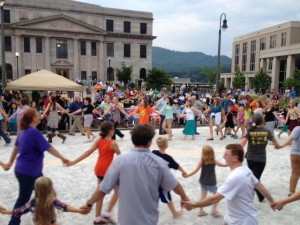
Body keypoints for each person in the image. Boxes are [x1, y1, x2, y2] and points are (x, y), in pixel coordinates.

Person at [80, 124, 189, 225]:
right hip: (149, 220)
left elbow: (102, 189)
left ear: (133, 140)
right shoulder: (159, 163)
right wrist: (184, 197)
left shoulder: (120, 161)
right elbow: (175, 185)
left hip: (126, 220)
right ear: (150, 142)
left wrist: (89, 204)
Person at [2, 109, 69, 225]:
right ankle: (13, 222)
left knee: (46, 194)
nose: (39, 115)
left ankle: (47, 218)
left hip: (30, 171)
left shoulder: (23, 132)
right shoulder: (34, 132)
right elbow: (50, 148)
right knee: (24, 199)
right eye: (37, 115)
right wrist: (63, 158)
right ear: (33, 118)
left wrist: (10, 162)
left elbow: (15, 148)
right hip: (28, 172)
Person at [183, 144, 275, 225]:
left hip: (243, 221)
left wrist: (193, 204)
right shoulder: (246, 170)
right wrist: (272, 201)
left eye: (226, 155)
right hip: (234, 217)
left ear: (234, 158)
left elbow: (215, 198)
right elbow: (260, 186)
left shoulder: (234, 177)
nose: (223, 157)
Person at [67, 121, 121, 224]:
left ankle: (97, 218)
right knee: (117, 192)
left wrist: (73, 162)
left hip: (99, 169)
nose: (114, 131)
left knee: (100, 193)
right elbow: (120, 159)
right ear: (110, 131)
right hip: (107, 171)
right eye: (113, 129)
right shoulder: (113, 143)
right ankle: (107, 214)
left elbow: (88, 152)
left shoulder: (99, 140)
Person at [0, 177, 89, 225]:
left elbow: (19, 211)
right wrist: (79, 210)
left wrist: (6, 212)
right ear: (50, 188)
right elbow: (64, 207)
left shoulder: (32, 202)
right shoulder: (52, 200)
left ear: (36, 189)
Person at [241, 113, 279, 202]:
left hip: (250, 158)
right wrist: (278, 146)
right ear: (263, 120)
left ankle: (260, 196)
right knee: (255, 179)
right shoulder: (267, 131)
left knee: (255, 178)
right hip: (261, 159)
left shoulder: (250, 130)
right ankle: (251, 198)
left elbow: (242, 143)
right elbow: (275, 143)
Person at [184, 145, 227, 217]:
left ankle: (200, 211)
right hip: (212, 182)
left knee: (203, 197)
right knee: (216, 197)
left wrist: (188, 175)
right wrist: (228, 164)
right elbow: (222, 165)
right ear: (212, 153)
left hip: (203, 182)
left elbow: (195, 170)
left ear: (203, 153)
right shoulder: (214, 161)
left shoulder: (201, 161)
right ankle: (214, 211)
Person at [152, 136, 187, 218]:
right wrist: (184, 172)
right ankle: (174, 213)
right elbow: (177, 166)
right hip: (162, 182)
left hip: (152, 179)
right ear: (166, 145)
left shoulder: (153, 152)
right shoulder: (168, 158)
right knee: (167, 197)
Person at [275, 126, 300, 196]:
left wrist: (281, 146)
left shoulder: (297, 128)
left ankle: (291, 191)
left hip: (295, 153)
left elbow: (291, 138)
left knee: (295, 173)